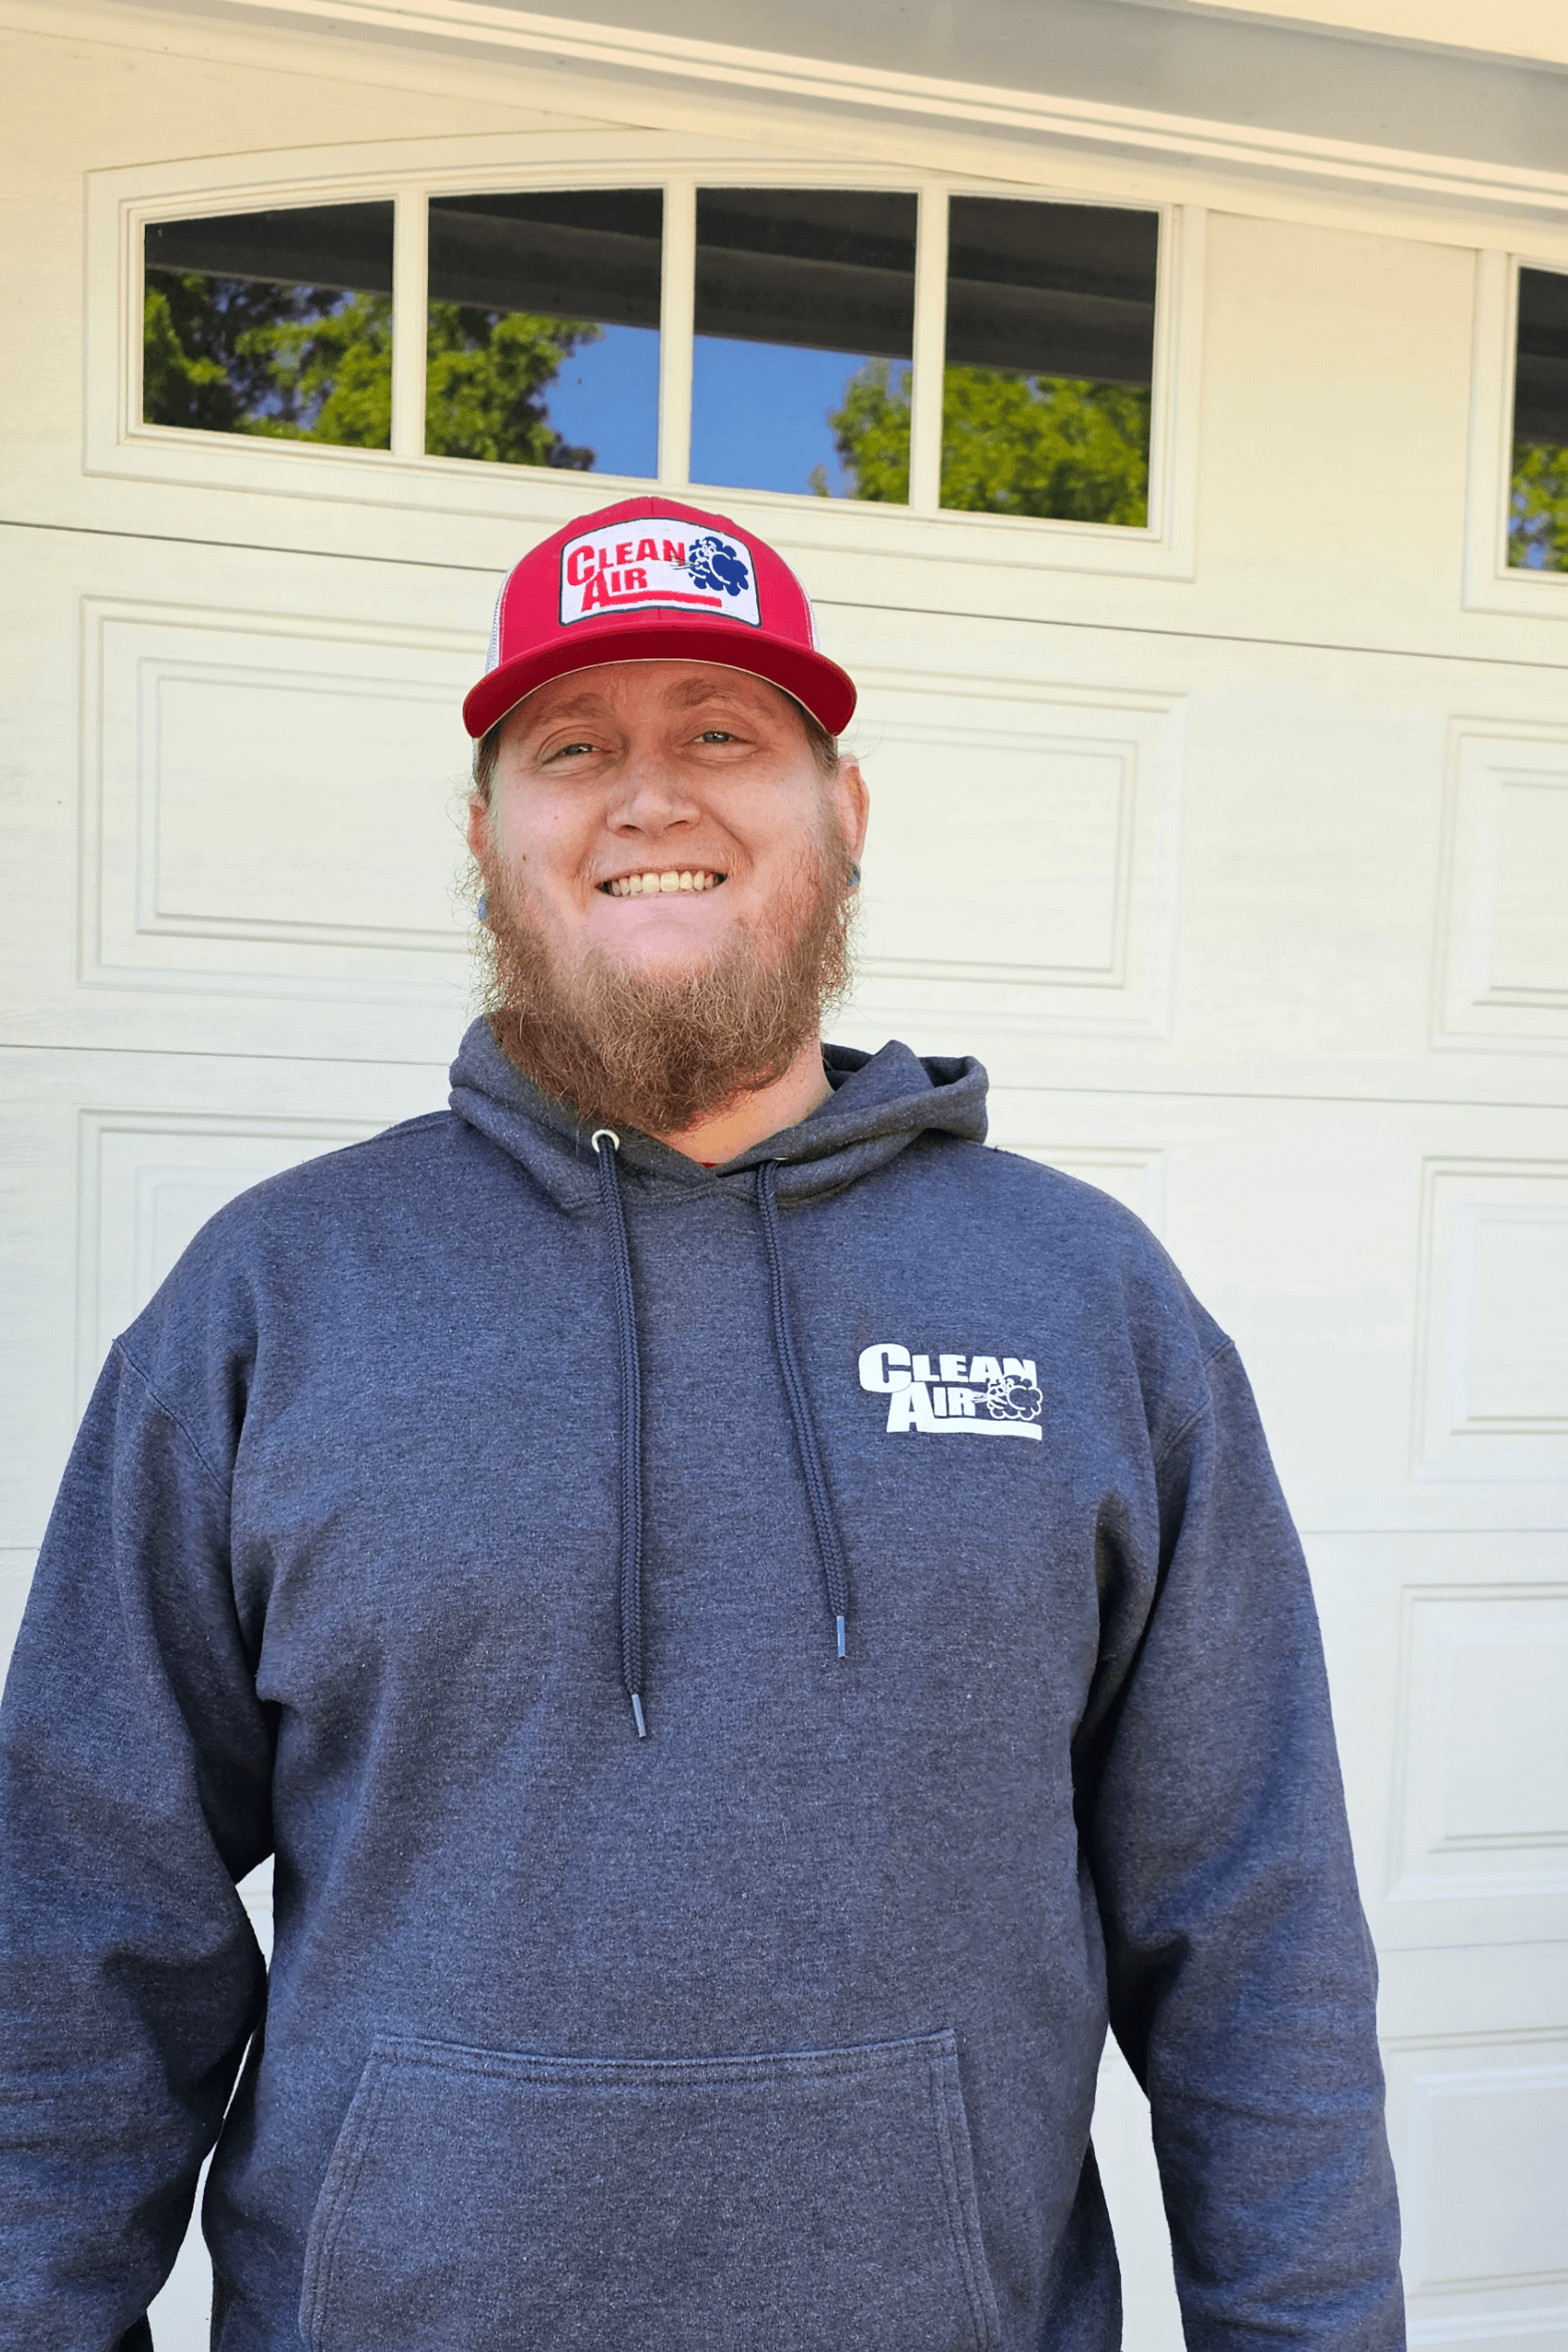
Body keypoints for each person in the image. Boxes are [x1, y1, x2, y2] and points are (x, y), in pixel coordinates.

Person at [0, 495, 1402, 2352]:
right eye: (570, 749)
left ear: (844, 813)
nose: (645, 797)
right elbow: (83, 1926)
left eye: (718, 734)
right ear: (488, 840)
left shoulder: (1085, 1303)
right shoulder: (273, 1298)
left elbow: (1251, 1930)